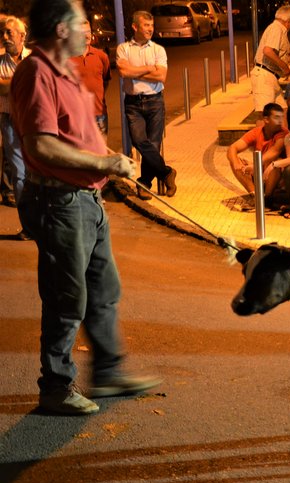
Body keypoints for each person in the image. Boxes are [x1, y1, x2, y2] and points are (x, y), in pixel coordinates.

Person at [13, 0, 162, 415]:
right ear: (61, 28)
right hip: (58, 201)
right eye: (81, 22)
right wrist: (104, 164)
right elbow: (41, 143)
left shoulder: (66, 70)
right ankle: (56, 386)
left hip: (85, 199)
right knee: (67, 297)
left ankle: (109, 371)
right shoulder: (37, 72)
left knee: (103, 289)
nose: (88, 30)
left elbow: (74, 135)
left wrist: (109, 157)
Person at [117, 11, 176, 200]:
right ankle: (167, 172)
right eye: (146, 25)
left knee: (153, 145)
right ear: (135, 27)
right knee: (139, 141)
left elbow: (161, 76)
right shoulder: (123, 48)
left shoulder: (158, 50)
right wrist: (149, 68)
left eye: (151, 25)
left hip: (155, 101)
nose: (150, 29)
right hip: (133, 103)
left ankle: (144, 183)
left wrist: (135, 72)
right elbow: (124, 72)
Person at [0, 16, 31, 238]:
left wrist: (10, 83)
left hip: (35, 122)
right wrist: (24, 81)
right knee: (19, 174)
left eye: (9, 33)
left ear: (22, 36)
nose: (4, 37)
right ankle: (29, 225)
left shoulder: (35, 58)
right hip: (9, 120)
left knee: (40, 172)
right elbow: (1, 90)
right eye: (3, 32)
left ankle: (45, 222)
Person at [226, 103, 288, 212]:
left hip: (277, 179)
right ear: (266, 119)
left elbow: (274, 152)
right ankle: (255, 195)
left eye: (282, 117)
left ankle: (267, 199)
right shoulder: (257, 132)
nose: (280, 121)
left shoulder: (284, 133)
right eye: (276, 117)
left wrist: (254, 165)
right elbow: (232, 148)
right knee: (237, 160)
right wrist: (237, 164)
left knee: (276, 163)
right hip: (260, 173)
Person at [70, 18, 111, 137]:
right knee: (81, 153)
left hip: (99, 114)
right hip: (77, 116)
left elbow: (105, 81)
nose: (86, 35)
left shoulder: (101, 56)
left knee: (102, 153)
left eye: (88, 32)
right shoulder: (67, 58)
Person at [252, 4, 290, 114]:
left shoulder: (277, 29)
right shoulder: (276, 28)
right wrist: (285, 67)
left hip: (271, 77)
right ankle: (261, 132)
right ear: (288, 21)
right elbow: (268, 51)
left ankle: (283, 132)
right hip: (265, 76)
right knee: (264, 115)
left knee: (282, 110)